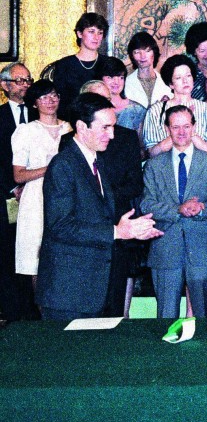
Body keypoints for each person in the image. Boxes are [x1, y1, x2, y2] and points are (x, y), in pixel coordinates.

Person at [35, 94, 161, 320]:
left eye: (113, 127)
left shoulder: (97, 161)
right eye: (105, 128)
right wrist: (117, 231)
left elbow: (100, 216)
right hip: (69, 291)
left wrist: (131, 231)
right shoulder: (63, 165)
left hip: (96, 287)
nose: (112, 135)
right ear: (82, 127)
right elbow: (60, 226)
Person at [140, 105, 207, 319]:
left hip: (203, 248)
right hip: (166, 248)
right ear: (166, 129)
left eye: (186, 126)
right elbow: (146, 204)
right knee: (166, 316)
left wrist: (201, 208)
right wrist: (177, 210)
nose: (181, 132)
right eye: (175, 126)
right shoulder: (153, 165)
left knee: (203, 316)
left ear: (194, 127)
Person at [79, 81, 147, 317]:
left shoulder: (125, 137)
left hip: (119, 224)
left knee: (115, 305)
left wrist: (106, 197)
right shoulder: (70, 143)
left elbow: (135, 184)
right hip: (84, 231)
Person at [12, 80, 72, 291]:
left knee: (66, 257)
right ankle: (44, 316)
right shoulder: (25, 131)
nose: (51, 100)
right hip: (36, 199)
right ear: (34, 103)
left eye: (54, 95)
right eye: (44, 97)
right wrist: (51, 168)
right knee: (36, 259)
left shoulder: (70, 128)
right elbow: (18, 175)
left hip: (67, 196)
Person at [0, 62, 35, 320]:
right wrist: (14, 187)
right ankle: (12, 312)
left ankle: (33, 313)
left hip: (36, 196)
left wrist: (28, 186)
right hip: (6, 198)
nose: (24, 85)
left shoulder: (39, 115)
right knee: (8, 253)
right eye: (19, 80)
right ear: (4, 85)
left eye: (27, 80)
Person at [141, 55, 207, 157]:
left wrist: (192, 133)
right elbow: (152, 153)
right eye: (178, 78)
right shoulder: (156, 111)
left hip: (198, 167)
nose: (185, 81)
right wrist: (177, 131)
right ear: (171, 84)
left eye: (188, 76)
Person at [50, 13, 109, 121]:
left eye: (100, 33)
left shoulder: (109, 63)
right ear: (79, 33)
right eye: (91, 31)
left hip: (104, 121)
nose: (96, 37)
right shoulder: (64, 65)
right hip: (72, 122)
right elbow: (60, 103)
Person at [97, 57, 147, 133]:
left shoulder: (137, 110)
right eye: (110, 77)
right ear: (100, 79)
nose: (116, 82)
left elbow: (141, 142)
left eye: (121, 77)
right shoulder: (94, 108)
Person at [124, 31, 172, 108]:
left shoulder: (166, 82)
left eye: (147, 51)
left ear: (154, 52)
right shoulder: (126, 84)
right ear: (132, 56)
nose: (142, 56)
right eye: (137, 52)